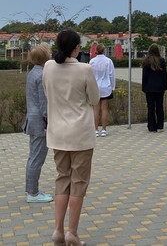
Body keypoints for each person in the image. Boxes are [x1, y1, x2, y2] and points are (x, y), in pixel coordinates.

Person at [43, 30, 100, 246]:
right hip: (81, 135)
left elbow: (48, 93)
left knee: (62, 179)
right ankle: (72, 233)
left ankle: (57, 230)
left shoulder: (48, 67)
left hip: (57, 134)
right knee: (78, 183)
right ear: (76, 48)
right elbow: (94, 98)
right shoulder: (85, 69)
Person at [23, 43, 53, 203]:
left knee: (33, 157)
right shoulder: (42, 75)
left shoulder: (33, 72)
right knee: (36, 158)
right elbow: (44, 104)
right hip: (39, 123)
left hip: (33, 120)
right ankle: (32, 193)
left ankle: (32, 190)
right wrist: (49, 122)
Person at [89, 43, 116, 137]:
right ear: (104, 50)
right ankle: (104, 129)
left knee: (95, 109)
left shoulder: (92, 61)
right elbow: (112, 75)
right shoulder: (108, 61)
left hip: (95, 86)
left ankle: (95, 130)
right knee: (104, 109)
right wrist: (113, 87)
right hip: (106, 86)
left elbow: (90, 75)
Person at [142, 44, 167, 132]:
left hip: (149, 88)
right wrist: (165, 86)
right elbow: (164, 75)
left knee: (150, 107)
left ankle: (151, 126)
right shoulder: (161, 61)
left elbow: (144, 76)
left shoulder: (146, 61)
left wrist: (144, 88)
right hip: (160, 87)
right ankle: (160, 126)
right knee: (159, 106)